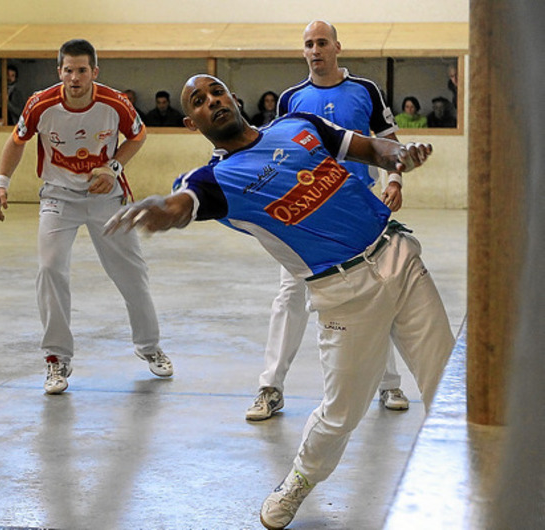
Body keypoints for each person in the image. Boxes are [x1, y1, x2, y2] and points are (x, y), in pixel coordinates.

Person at [104, 74, 454, 530]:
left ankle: (473, 476)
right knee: (341, 414)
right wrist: (163, 211)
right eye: (199, 101)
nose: (213, 101)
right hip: (343, 293)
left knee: (446, 380)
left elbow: (374, 149)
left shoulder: (298, 124)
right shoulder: (213, 179)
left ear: (233, 97)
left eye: (216, 91)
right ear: (192, 122)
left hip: (398, 256)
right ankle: (299, 480)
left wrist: (400, 155)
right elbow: (182, 203)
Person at [245, 20, 410, 422]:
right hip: (304, 216)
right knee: (290, 297)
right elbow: (279, 155)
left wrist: (394, 180)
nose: (315, 50)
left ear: (337, 47)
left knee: (374, 294)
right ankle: (270, 388)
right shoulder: (291, 99)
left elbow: (388, 142)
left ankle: (389, 384)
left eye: (322, 42)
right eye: (308, 44)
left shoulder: (366, 90)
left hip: (356, 211)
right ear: (303, 51)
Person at [0, 38, 173, 395]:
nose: (75, 77)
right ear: (59, 71)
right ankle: (56, 358)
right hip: (58, 197)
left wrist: (113, 168)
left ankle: (149, 346)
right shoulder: (40, 104)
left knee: (131, 273)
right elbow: (17, 141)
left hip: (107, 198)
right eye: (69, 70)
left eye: (82, 70)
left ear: (94, 72)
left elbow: (138, 135)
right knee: (50, 269)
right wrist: (0, 184)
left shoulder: (114, 103)